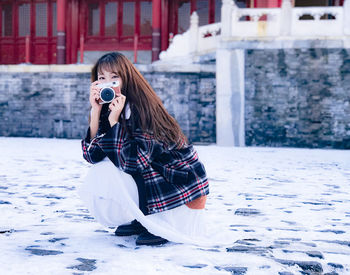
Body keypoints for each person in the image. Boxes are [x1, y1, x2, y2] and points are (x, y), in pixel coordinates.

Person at [78, 52, 209, 246]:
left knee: (120, 167)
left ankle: (159, 223)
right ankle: (144, 218)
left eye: (114, 78)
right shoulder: (110, 108)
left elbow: (134, 162)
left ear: (127, 78)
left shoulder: (143, 108)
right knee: (102, 169)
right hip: (162, 190)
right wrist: (96, 112)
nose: (108, 84)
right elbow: (92, 156)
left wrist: (114, 123)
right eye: (101, 79)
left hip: (182, 195)